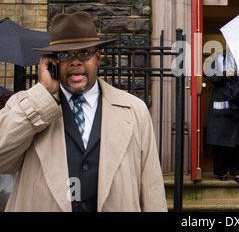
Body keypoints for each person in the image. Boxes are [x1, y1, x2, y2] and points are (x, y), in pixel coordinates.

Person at [0, 12, 167, 212]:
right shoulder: (27, 106)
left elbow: (151, 187)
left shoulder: (134, 110)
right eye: (65, 55)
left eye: (85, 53)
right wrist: (42, 95)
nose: (76, 61)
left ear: (98, 57)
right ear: (52, 62)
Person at [205, 49, 239, 183]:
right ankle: (221, 171)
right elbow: (210, 75)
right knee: (220, 140)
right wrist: (226, 73)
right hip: (220, 107)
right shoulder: (216, 57)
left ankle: (238, 171)